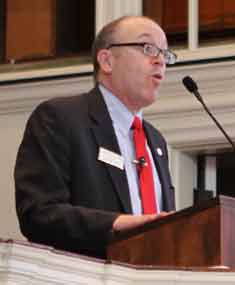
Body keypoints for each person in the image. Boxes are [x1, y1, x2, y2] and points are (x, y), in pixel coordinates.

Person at [14, 16, 176, 259]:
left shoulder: (156, 141)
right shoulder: (61, 119)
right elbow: (39, 214)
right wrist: (119, 224)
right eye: (147, 48)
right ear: (107, 60)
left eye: (165, 53)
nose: (160, 60)